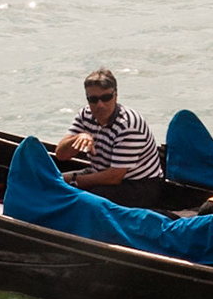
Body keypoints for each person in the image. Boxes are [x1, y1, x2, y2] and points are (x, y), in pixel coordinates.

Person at [53, 68, 166, 209]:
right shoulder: (85, 115)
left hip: (138, 185)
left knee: (83, 201)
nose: (100, 104)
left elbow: (114, 177)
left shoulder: (129, 125)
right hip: (100, 173)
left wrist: (73, 180)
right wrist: (79, 137)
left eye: (106, 98)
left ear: (116, 95)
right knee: (53, 184)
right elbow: (61, 154)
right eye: (93, 99)